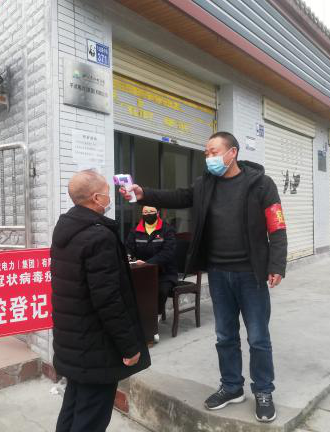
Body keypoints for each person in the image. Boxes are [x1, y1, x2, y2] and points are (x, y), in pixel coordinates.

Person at [119, 132, 287, 423]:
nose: (209, 157)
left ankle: (263, 391)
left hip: (251, 275)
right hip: (218, 273)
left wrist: (277, 265)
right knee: (225, 336)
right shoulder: (205, 183)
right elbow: (179, 196)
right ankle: (232, 387)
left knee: (258, 337)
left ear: (232, 152)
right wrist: (143, 193)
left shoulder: (261, 184)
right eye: (206, 153)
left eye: (214, 151)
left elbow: (277, 226)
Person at [51, 169, 151, 432]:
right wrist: (129, 347)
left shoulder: (66, 229)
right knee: (91, 418)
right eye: (107, 192)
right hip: (97, 347)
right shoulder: (98, 236)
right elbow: (108, 300)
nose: (110, 197)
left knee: (73, 406)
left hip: (75, 341)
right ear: (96, 198)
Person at [125, 206, 178, 341]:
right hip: (142, 273)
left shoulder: (167, 230)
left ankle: (153, 324)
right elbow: (129, 247)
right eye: (145, 212)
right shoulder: (135, 230)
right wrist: (128, 256)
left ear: (157, 213)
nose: (148, 214)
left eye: (151, 212)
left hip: (165, 273)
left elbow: (168, 253)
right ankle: (139, 322)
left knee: (160, 291)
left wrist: (148, 263)